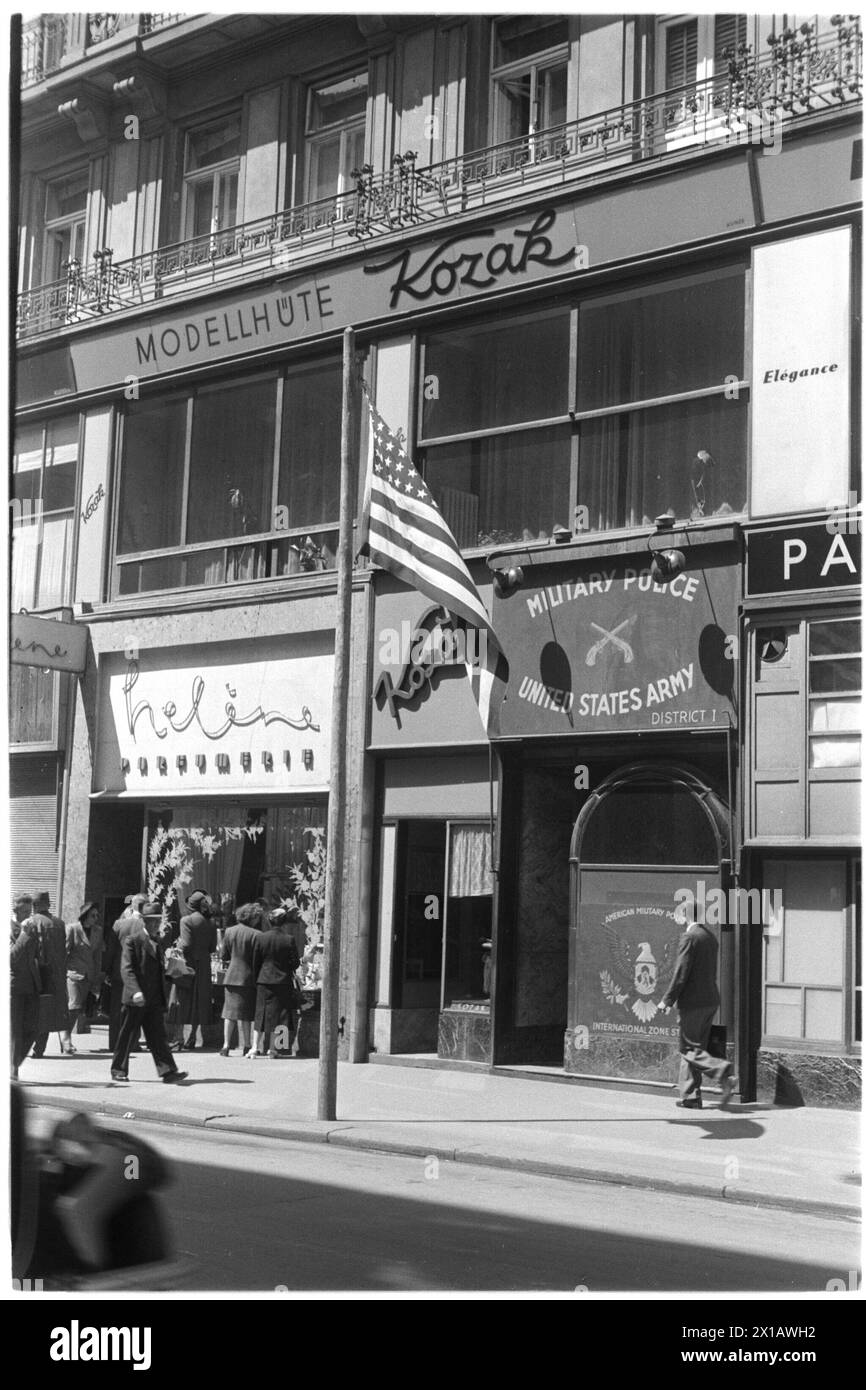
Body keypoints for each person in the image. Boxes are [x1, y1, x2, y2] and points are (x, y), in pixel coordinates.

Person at [658, 903, 735, 1110]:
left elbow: (681, 973)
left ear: (685, 915)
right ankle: (691, 1097)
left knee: (689, 1048)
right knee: (695, 1047)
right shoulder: (709, 937)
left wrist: (667, 1000)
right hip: (709, 999)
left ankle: (722, 1070)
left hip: (693, 1002)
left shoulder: (689, 938)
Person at [110, 900, 187, 1084]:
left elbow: (158, 970)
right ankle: (118, 1069)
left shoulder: (158, 942)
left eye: (157, 921)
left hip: (153, 999)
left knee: (158, 1037)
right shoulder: (133, 941)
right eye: (151, 921)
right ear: (143, 921)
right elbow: (126, 969)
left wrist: (175, 972)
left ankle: (168, 1072)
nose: (155, 925)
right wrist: (135, 991)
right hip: (136, 998)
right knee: (127, 1035)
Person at [250, 907, 301, 1058]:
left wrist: (257, 978)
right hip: (282, 981)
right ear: (284, 922)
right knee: (280, 1014)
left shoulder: (260, 938)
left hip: (263, 980)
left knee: (260, 1013)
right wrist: (286, 967)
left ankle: (254, 1047)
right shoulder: (289, 939)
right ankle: (274, 1048)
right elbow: (296, 963)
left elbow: (255, 962)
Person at [170, 890, 217, 1051]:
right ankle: (192, 1038)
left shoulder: (186, 920)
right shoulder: (211, 923)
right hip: (203, 965)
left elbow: (186, 944)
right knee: (199, 1002)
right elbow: (212, 947)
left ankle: (178, 1038)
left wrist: (176, 947)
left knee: (181, 1000)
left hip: (187, 964)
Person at [30, 891, 74, 1057]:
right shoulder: (59, 923)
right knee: (47, 1011)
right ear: (48, 904)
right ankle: (39, 1048)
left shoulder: (31, 922)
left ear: (34, 906)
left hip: (36, 973)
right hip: (55, 975)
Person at [219, 902, 263, 1056]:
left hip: (231, 976)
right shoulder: (256, 935)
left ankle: (225, 1045)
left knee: (229, 1013)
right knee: (246, 1014)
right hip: (248, 977)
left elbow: (223, 955)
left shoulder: (230, 931)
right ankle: (247, 1044)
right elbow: (258, 959)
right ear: (253, 918)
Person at [103, 895, 146, 1052]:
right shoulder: (147, 925)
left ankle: (114, 1043)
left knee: (116, 1010)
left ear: (133, 907)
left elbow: (111, 950)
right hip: (139, 974)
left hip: (119, 972)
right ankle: (132, 1043)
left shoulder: (119, 924)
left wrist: (106, 970)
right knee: (135, 1009)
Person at [10, 897, 41, 1078]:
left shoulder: (30, 930)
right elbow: (11, 957)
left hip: (31, 985)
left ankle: (12, 1063)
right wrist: (23, 935)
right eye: (24, 912)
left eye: (30, 912)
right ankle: (13, 1068)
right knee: (15, 1030)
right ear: (16, 912)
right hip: (13, 986)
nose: (28, 916)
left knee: (33, 1028)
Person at [65, 903, 104, 1038]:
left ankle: (66, 1035)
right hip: (73, 974)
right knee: (74, 1006)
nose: (95, 918)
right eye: (93, 915)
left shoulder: (98, 931)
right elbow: (65, 952)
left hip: (89, 976)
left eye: (97, 915)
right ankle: (66, 1037)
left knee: (79, 1008)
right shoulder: (73, 929)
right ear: (85, 916)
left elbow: (97, 956)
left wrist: (97, 977)